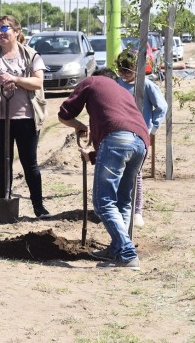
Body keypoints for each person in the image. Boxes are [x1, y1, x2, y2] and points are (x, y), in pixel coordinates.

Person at [58, 68, 149, 270]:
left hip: (117, 140)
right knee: (123, 200)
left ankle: (127, 253)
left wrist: (80, 126)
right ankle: (116, 248)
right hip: (141, 141)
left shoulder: (91, 81)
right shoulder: (121, 92)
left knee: (103, 202)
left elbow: (64, 114)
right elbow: (119, 138)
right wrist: (91, 155)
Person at [0, 15, 50, 219]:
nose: (0, 34)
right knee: (3, 161)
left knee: (30, 163)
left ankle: (38, 205)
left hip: (26, 117)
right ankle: (4, 200)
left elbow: (38, 82)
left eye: (5, 29)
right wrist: (0, 81)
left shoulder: (31, 55)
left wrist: (15, 79)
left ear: (17, 32)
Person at [115, 49, 168, 228]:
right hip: (119, 136)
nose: (123, 74)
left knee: (135, 174)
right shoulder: (116, 84)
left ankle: (137, 211)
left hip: (139, 137)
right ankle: (120, 208)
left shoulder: (145, 85)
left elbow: (161, 107)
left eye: (127, 71)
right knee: (118, 173)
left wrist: (151, 129)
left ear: (136, 68)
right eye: (120, 70)